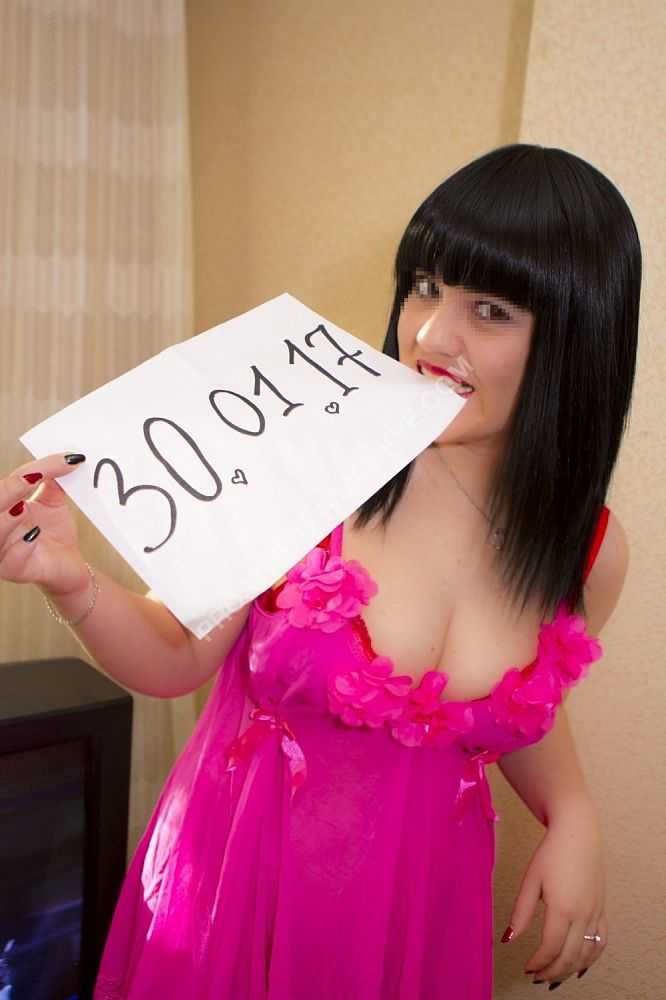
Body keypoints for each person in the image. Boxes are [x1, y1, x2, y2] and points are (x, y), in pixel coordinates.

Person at [0, 144, 639, 998]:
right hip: (240, 898)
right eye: (425, 286)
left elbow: (514, 710)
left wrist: (574, 816)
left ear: (578, 339)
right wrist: (71, 580)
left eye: (490, 310)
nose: (428, 335)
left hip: (416, 919)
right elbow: (173, 656)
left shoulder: (588, 549)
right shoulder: (311, 453)